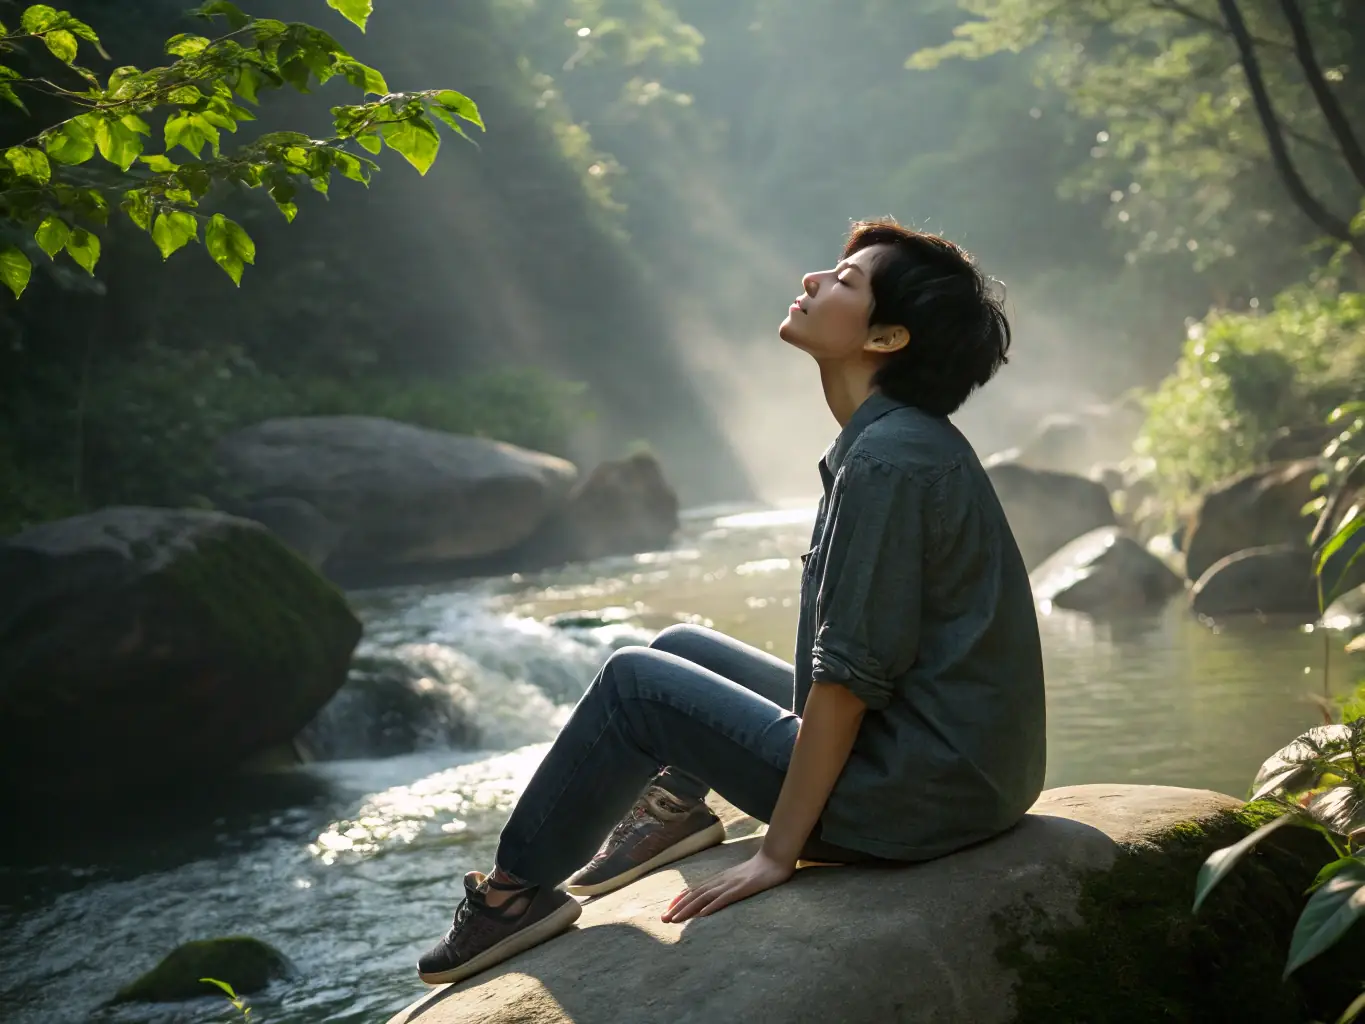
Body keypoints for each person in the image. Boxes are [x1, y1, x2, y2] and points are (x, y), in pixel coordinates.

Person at [416, 218, 1047, 987]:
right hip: (950, 771)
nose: (814, 280)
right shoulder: (897, 440)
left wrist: (776, 853)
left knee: (632, 684)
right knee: (679, 647)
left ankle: (511, 896)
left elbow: (847, 681)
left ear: (884, 339)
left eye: (846, 281)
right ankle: (677, 810)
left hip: (918, 798)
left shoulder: (886, 461)